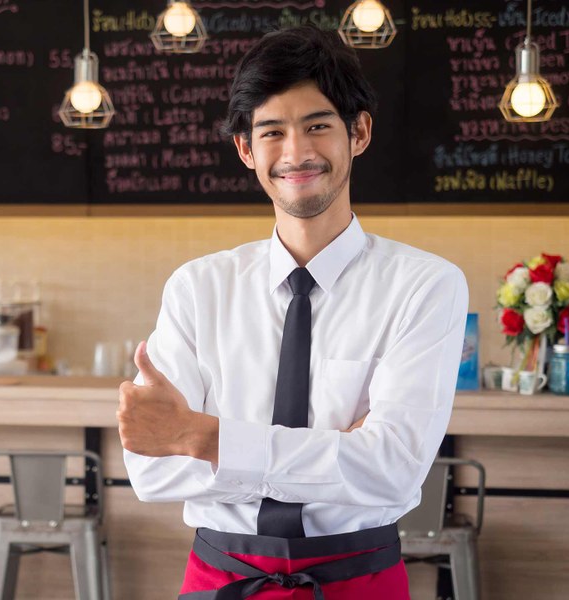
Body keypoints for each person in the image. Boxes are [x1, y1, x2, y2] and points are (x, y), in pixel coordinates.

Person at [117, 24, 469, 599]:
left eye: (318, 126)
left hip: (359, 580)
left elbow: (393, 468)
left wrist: (200, 436)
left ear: (359, 132)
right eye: (272, 132)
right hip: (218, 579)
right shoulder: (197, 287)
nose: (297, 152)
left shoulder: (425, 286)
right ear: (245, 150)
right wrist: (336, 450)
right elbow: (152, 472)